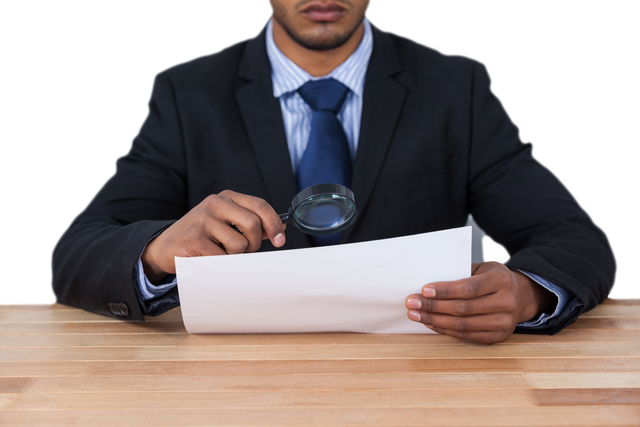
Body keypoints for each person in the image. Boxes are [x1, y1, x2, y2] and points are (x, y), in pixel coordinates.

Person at [49, 0, 618, 343]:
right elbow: (75, 253)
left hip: (422, 387)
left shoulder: (455, 88)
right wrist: (155, 252)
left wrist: (527, 293)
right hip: (229, 393)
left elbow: (576, 239)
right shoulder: (187, 93)